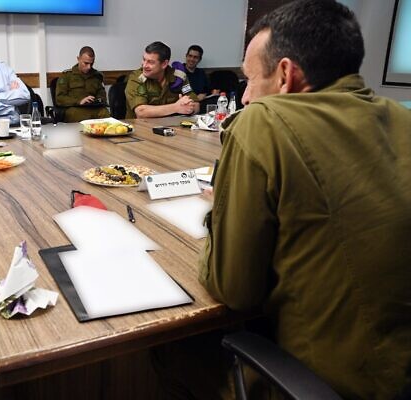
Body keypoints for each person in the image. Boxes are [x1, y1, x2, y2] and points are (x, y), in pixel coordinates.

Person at [195, 0, 411, 399]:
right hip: (400, 371)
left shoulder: (262, 122)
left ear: (285, 76)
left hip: (327, 382)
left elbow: (234, 289)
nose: (244, 97)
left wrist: (215, 214)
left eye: (249, 80)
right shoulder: (402, 118)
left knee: (171, 354)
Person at [125, 41, 200, 119]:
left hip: (172, 126)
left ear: (164, 64)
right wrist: (176, 108)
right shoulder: (137, 78)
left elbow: (196, 105)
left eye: (150, 62)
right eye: (144, 59)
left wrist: (189, 108)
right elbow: (141, 112)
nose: (144, 65)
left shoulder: (179, 76)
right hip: (140, 127)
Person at [55, 46, 110, 122]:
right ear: (78, 59)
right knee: (80, 117)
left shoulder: (97, 76)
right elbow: (60, 98)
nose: (89, 67)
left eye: (91, 63)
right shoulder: (67, 75)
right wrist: (79, 101)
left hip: (93, 108)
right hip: (76, 108)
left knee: (105, 113)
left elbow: (102, 95)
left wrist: (97, 101)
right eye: (86, 63)